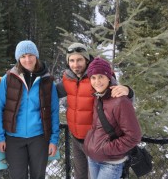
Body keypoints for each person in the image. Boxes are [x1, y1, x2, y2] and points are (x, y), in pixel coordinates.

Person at [56, 43, 134, 179]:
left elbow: (120, 98)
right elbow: (51, 92)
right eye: (72, 60)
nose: (76, 65)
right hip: (75, 138)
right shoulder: (67, 78)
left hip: (96, 141)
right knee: (80, 176)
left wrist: (128, 90)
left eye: (79, 60)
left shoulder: (97, 77)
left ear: (86, 59)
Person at [0, 40, 60, 179]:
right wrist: (0, 137)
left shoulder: (47, 80)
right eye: (23, 56)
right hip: (13, 138)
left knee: (38, 176)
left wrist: (54, 140)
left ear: (36, 56)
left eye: (30, 55)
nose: (27, 59)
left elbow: (53, 111)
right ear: (18, 58)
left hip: (39, 138)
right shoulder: (8, 79)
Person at [84, 57, 142, 179]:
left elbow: (134, 136)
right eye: (93, 78)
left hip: (110, 163)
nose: (97, 81)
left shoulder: (120, 100)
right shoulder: (98, 96)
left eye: (101, 77)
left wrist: (106, 149)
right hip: (93, 158)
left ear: (108, 77)